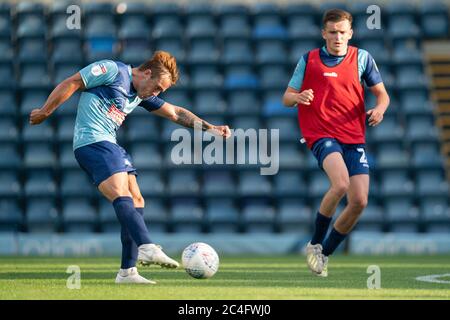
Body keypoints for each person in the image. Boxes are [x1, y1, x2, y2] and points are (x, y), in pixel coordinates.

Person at [29, 51, 231, 284]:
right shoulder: (112, 70)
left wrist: (211, 128)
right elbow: (72, 82)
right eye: (157, 88)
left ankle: (127, 272)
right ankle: (146, 246)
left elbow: (176, 113)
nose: (156, 94)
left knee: (137, 200)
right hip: (92, 142)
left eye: (160, 92)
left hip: (109, 144)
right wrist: (45, 111)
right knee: (121, 193)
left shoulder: (140, 94)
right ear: (146, 73)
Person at [282, 9, 390, 277]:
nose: (337, 37)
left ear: (350, 33)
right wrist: (298, 97)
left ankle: (324, 253)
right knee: (340, 184)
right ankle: (315, 243)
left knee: (359, 201)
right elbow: (286, 96)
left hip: (353, 137)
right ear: (324, 33)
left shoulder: (362, 58)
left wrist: (380, 109)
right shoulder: (309, 60)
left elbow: (382, 95)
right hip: (320, 134)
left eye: (342, 32)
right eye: (332, 32)